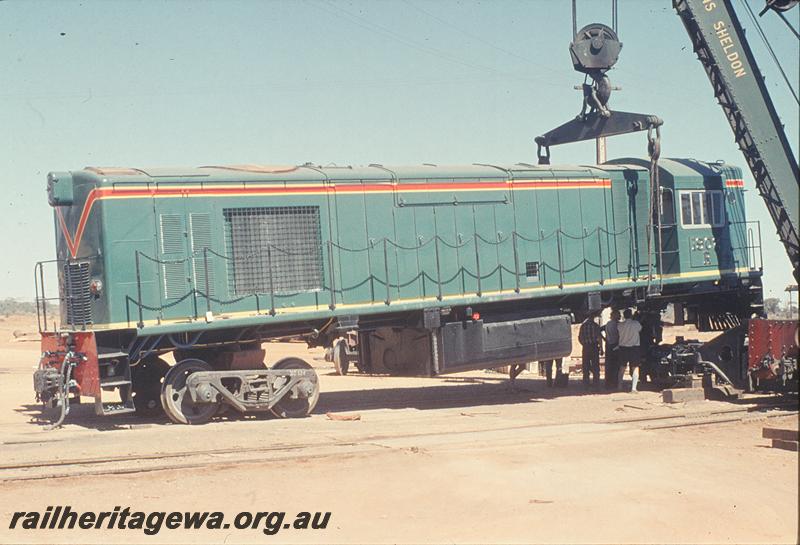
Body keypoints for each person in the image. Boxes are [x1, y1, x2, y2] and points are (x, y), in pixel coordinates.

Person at [617, 308, 643, 392]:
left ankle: (619, 386)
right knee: (635, 368)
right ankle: (634, 388)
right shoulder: (636, 323)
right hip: (634, 348)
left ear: (623, 316)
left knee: (622, 368)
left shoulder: (619, 325)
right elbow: (640, 329)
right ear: (631, 315)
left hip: (623, 348)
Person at [578, 312, 603, 387]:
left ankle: (586, 383)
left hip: (586, 347)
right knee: (595, 365)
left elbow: (579, 337)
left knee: (585, 365)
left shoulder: (583, 326)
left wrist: (584, 344)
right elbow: (599, 337)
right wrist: (601, 348)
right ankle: (596, 383)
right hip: (594, 347)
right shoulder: (595, 326)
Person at [602, 310, 621, 390]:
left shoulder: (608, 324)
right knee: (616, 365)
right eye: (618, 315)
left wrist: (604, 339)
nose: (620, 316)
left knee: (608, 364)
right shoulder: (618, 324)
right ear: (614, 316)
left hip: (608, 345)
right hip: (616, 345)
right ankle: (614, 382)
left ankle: (607, 383)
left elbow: (599, 330)